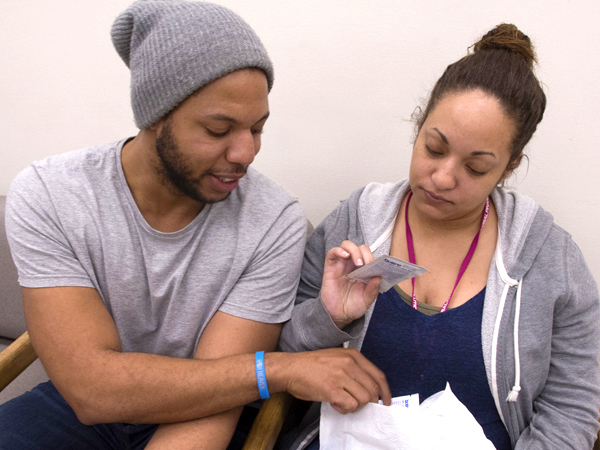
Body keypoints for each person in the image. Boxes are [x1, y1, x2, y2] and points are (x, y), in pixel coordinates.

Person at [0, 1, 391, 449]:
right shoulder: (51, 194)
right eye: (218, 129)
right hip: (85, 406)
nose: (245, 153)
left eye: (257, 128)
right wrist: (280, 370)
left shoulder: (272, 219)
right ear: (155, 117)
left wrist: (257, 374)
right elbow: (90, 390)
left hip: (213, 405)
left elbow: (220, 397)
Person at [279, 24, 600, 450]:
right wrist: (330, 316)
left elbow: (573, 406)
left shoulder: (550, 259)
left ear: (508, 167)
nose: (443, 177)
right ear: (419, 127)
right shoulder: (356, 221)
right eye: (433, 148)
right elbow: (286, 352)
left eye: (476, 167)